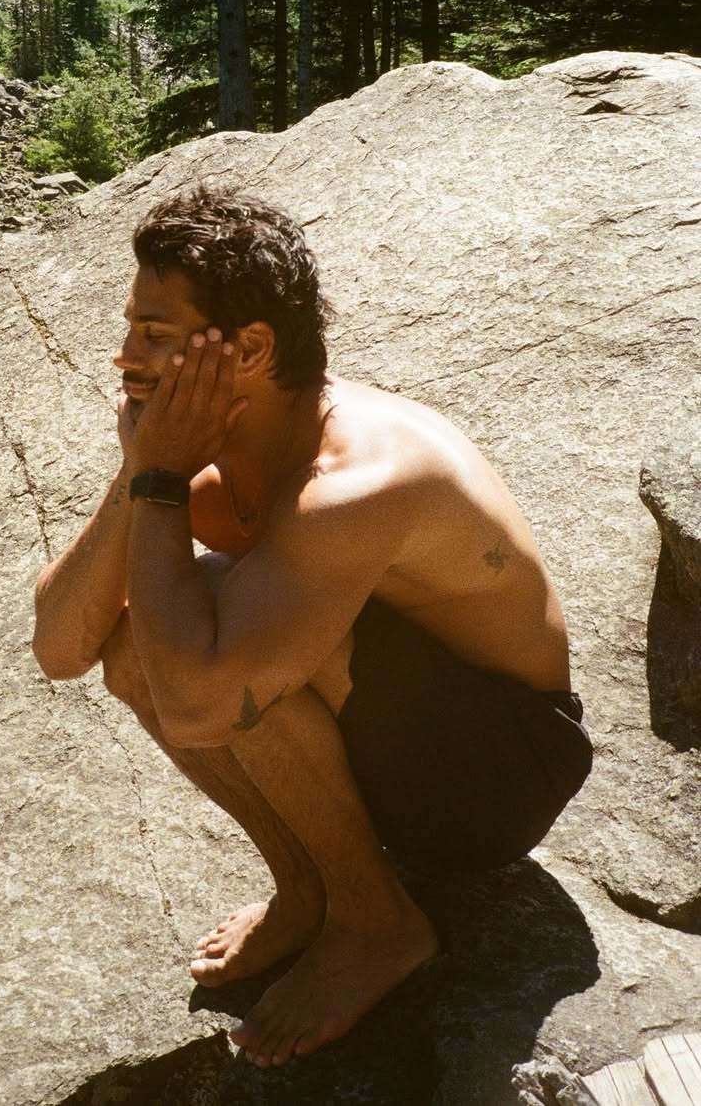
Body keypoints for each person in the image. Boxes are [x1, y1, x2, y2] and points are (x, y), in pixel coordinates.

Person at [31, 185, 593, 1070]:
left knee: (231, 646)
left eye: (155, 333)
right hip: (404, 739)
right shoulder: (235, 453)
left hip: (498, 773)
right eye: (131, 327)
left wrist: (161, 480)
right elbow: (62, 646)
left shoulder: (359, 479)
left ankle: (376, 921)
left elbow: (200, 705)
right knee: (146, 637)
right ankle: (307, 891)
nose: (124, 356)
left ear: (252, 349)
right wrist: (145, 470)